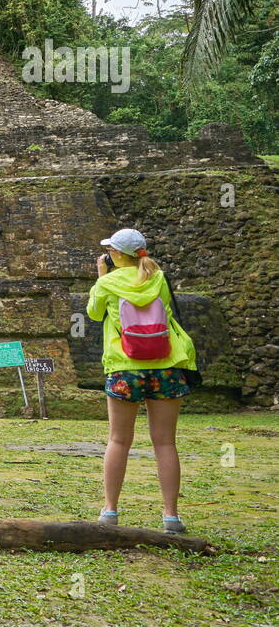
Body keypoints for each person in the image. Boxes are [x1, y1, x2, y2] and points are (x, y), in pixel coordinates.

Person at [86, 228, 197, 533]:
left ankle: (110, 511)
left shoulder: (108, 282)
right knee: (165, 442)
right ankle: (171, 516)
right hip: (166, 367)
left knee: (119, 440)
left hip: (125, 368)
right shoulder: (158, 278)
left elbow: (94, 314)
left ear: (117, 255)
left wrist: (100, 276)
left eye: (110, 250)